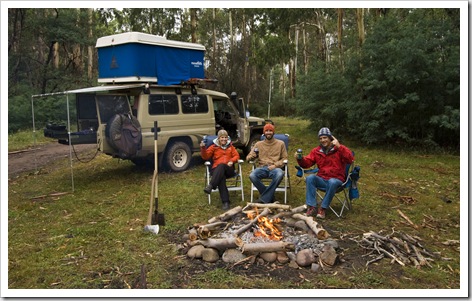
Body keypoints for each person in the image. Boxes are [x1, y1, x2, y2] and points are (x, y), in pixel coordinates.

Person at [295, 127, 354, 219]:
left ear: (330, 138)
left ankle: (323, 208)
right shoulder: (316, 151)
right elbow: (307, 164)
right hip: (322, 179)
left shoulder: (339, 149)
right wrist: (300, 159)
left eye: (325, 137)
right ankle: (312, 207)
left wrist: (340, 146)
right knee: (310, 178)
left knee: (332, 182)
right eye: (321, 138)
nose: (323, 140)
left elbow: (350, 159)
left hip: (337, 180)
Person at [246, 123, 288, 203]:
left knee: (279, 174)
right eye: (267, 131)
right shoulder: (258, 144)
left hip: (275, 168)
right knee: (252, 175)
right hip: (262, 167)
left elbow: (284, 158)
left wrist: (275, 165)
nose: (268, 132)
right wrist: (252, 156)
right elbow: (248, 157)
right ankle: (270, 197)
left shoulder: (280, 143)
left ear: (273, 132)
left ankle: (264, 198)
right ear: (264, 133)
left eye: (270, 131)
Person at [201, 129, 240, 210]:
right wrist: (203, 148)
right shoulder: (213, 147)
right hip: (216, 171)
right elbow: (205, 156)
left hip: (229, 169)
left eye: (226, 137)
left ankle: (211, 185)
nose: (224, 139)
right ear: (218, 138)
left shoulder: (230, 147)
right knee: (221, 177)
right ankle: (226, 202)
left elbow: (237, 156)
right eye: (222, 137)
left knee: (222, 165)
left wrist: (232, 161)